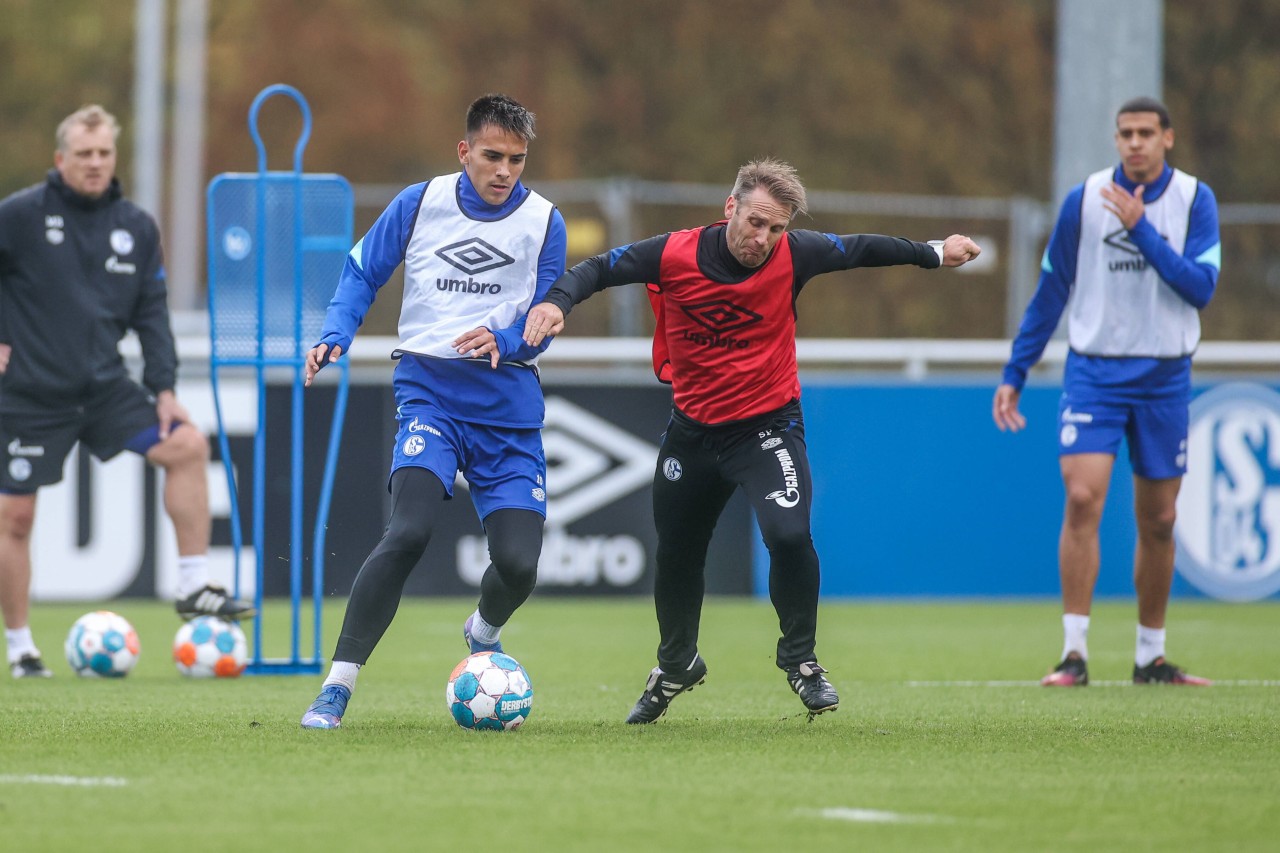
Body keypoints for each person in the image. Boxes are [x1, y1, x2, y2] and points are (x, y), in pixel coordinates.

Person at [522, 159, 981, 722]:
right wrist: (556, 302)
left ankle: (802, 661)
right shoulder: (673, 254)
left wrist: (935, 252)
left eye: (776, 229)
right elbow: (598, 269)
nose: (763, 239)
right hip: (691, 433)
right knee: (677, 556)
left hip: (767, 428)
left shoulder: (796, 255)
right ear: (730, 208)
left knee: (789, 534)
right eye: (756, 222)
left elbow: (862, 248)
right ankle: (675, 665)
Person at [299, 93, 566, 729]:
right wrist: (337, 330)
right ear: (464, 150)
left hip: (508, 405)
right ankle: (337, 687)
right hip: (430, 393)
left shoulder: (545, 221)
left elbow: (548, 313)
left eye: (517, 160)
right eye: (492, 156)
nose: (504, 171)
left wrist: (505, 341)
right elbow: (363, 270)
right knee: (409, 530)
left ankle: (484, 628)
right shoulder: (420, 203)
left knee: (520, 565)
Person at [0, 104, 254, 679]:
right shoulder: (18, 216)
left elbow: (151, 314)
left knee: (186, 445)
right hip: (32, 394)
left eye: (103, 153)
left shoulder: (135, 227)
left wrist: (163, 388)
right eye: (83, 154)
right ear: (60, 159)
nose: (94, 163)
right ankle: (21, 648)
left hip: (104, 388)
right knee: (15, 517)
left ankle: (193, 584)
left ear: (114, 157)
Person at [993, 96, 1219, 687]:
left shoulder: (1196, 200)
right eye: (1126, 133)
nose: (1135, 143)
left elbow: (1199, 287)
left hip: (1165, 375)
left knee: (1161, 518)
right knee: (1083, 497)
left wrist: (1141, 231)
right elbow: (1051, 291)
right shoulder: (1084, 200)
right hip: (1095, 371)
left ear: (1168, 138)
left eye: (1147, 132)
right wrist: (1016, 371)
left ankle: (1151, 657)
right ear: (1116, 140)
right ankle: (1074, 654)